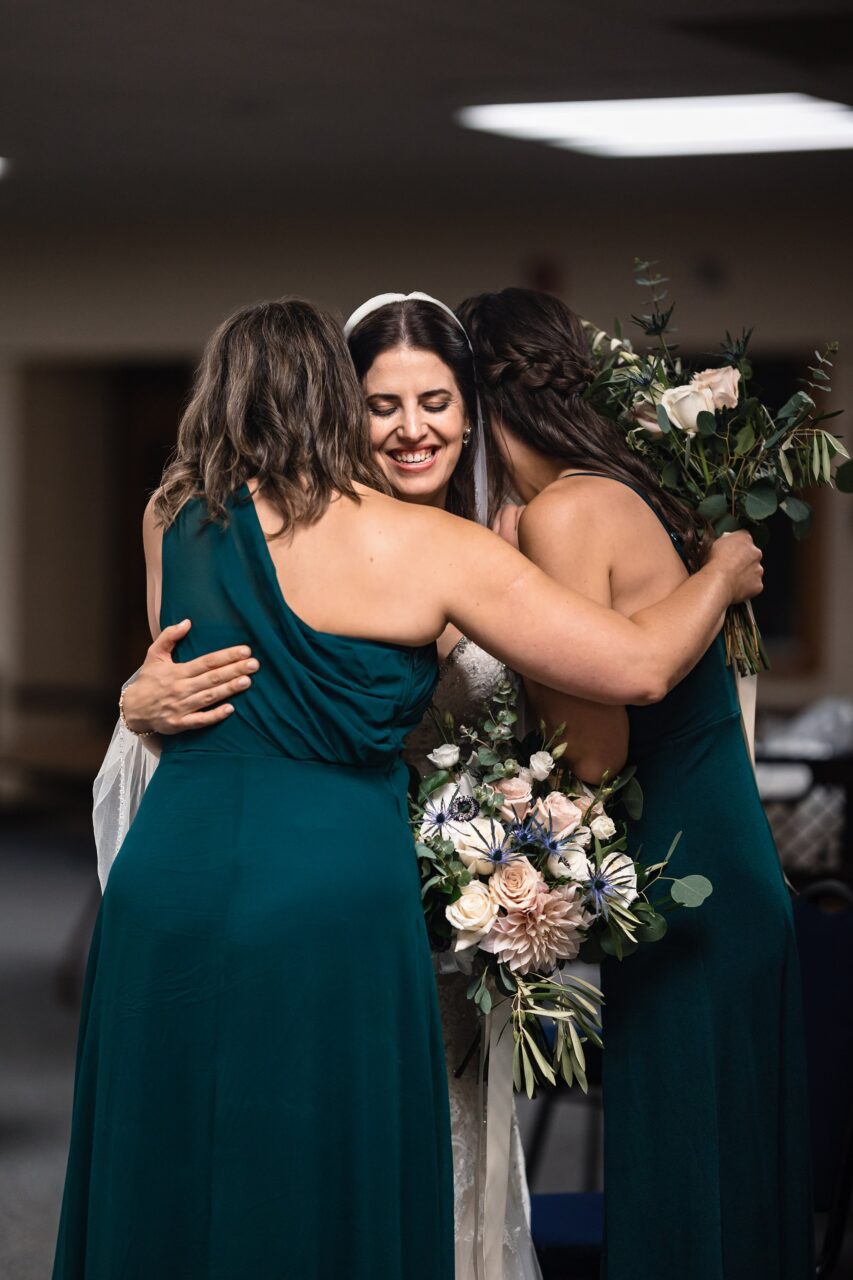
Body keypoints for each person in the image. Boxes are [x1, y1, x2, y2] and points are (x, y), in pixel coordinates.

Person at [97, 293, 761, 1280]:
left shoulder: (174, 514)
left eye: (436, 400)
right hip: (335, 888)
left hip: (174, 876)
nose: (411, 426)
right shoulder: (443, 551)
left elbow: (194, 653)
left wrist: (141, 689)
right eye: (381, 403)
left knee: (179, 1148)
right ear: (337, 403)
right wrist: (721, 572)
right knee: (334, 1168)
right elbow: (634, 670)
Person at [457, 286, 814, 1280]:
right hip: (714, 853)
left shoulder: (564, 514)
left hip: (680, 869)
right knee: (718, 1156)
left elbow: (597, 753)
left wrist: (497, 821)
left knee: (687, 1162)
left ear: (485, 403)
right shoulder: (609, 488)